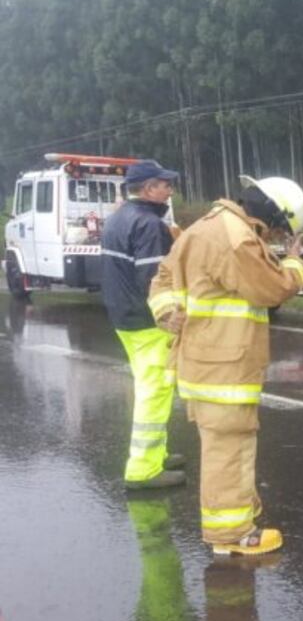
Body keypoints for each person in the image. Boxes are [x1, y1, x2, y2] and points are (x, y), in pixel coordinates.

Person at [148, 175, 303, 556]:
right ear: (272, 214)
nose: (275, 234)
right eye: (279, 227)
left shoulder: (203, 228)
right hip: (223, 369)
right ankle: (230, 535)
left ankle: (240, 510)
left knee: (227, 447)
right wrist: (295, 262)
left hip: (203, 362)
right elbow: (273, 288)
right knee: (228, 450)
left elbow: (161, 279)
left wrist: (165, 313)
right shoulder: (236, 237)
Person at [102, 159, 186, 490]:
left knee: (149, 385)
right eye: (165, 184)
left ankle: (157, 454)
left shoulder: (119, 218)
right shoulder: (149, 225)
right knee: (155, 389)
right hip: (146, 321)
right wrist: (168, 315)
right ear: (149, 188)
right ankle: (143, 470)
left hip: (124, 315)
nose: (170, 190)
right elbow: (153, 278)